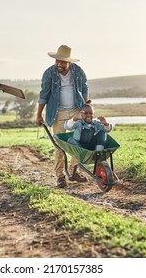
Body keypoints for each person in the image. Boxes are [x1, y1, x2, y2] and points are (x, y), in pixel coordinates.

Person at [36, 44, 91, 188]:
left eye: (62, 62)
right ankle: (60, 176)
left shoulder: (78, 72)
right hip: (57, 112)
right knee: (60, 145)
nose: (59, 64)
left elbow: (84, 88)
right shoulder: (49, 73)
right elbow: (44, 94)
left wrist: (86, 105)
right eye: (57, 61)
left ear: (69, 63)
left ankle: (73, 171)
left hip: (75, 110)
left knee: (78, 142)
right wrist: (39, 114)